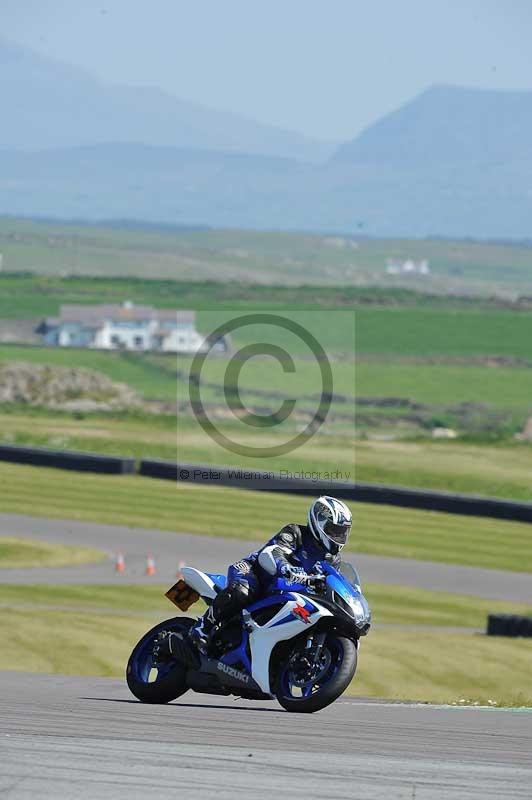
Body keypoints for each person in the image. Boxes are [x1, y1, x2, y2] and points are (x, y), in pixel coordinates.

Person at [165, 496, 353, 657]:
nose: (338, 536)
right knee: (242, 592)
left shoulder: (333, 558)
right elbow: (272, 552)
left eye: (342, 532)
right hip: (255, 573)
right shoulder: (295, 532)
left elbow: (331, 578)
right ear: (319, 522)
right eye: (334, 530)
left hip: (287, 593)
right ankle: (203, 627)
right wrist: (286, 567)